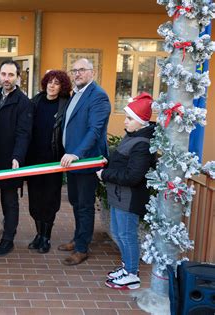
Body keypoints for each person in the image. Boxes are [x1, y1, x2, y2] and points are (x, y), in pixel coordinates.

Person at [96, 93, 156, 290]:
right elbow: (123, 163)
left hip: (128, 199)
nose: (125, 121)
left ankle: (132, 274)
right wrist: (109, 164)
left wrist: (105, 175)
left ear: (141, 121)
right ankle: (127, 266)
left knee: (127, 235)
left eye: (130, 118)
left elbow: (132, 176)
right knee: (118, 232)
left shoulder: (142, 144)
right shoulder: (132, 136)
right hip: (118, 196)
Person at [59, 58, 111, 265]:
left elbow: (95, 131)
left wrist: (77, 154)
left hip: (85, 161)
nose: (77, 73)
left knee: (85, 205)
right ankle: (77, 237)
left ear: (93, 72)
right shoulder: (76, 94)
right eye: (74, 70)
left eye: (82, 70)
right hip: (71, 161)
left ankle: (82, 248)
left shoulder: (98, 97)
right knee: (75, 202)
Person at [0, 60, 33, 257]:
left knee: (9, 202)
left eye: (11, 75)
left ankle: (8, 239)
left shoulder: (23, 102)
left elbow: (23, 133)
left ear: (17, 77)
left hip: (10, 162)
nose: (6, 79)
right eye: (3, 74)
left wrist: (17, 156)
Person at [26, 70, 71, 253]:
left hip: (54, 161)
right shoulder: (35, 102)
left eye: (56, 83)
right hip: (34, 160)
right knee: (35, 199)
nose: (52, 86)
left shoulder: (66, 105)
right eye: (49, 82)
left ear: (62, 86)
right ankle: (38, 234)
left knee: (50, 200)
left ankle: (46, 237)